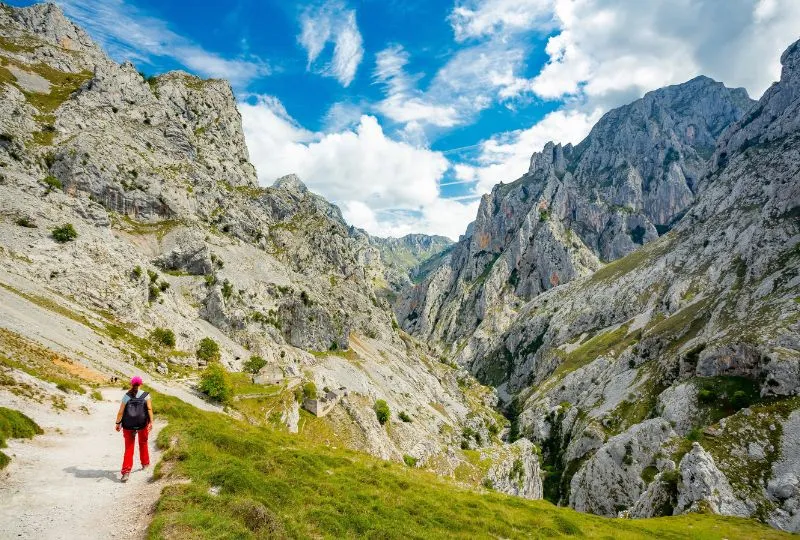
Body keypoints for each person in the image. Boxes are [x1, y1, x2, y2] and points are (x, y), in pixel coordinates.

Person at [114, 376, 153, 482]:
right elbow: (149, 409)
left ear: (131, 384)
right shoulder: (146, 395)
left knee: (129, 447)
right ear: (141, 384)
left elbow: (121, 412)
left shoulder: (127, 395)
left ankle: (126, 472)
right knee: (143, 442)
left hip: (128, 425)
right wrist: (151, 422)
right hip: (142, 423)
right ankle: (145, 464)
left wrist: (118, 423)